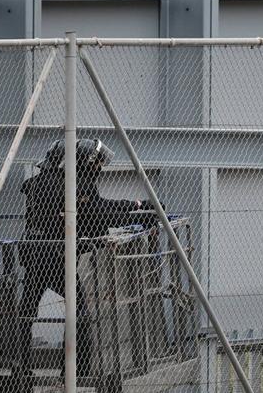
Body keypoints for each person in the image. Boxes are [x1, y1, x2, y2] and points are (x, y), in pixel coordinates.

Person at [16, 138, 160, 376]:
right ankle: (75, 370)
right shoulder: (73, 184)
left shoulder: (39, 183)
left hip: (34, 251)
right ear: (83, 162)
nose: (99, 168)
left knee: (27, 309)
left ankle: (21, 367)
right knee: (79, 310)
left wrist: (135, 206)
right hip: (55, 256)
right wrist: (140, 216)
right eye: (96, 163)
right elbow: (99, 215)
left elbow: (97, 207)